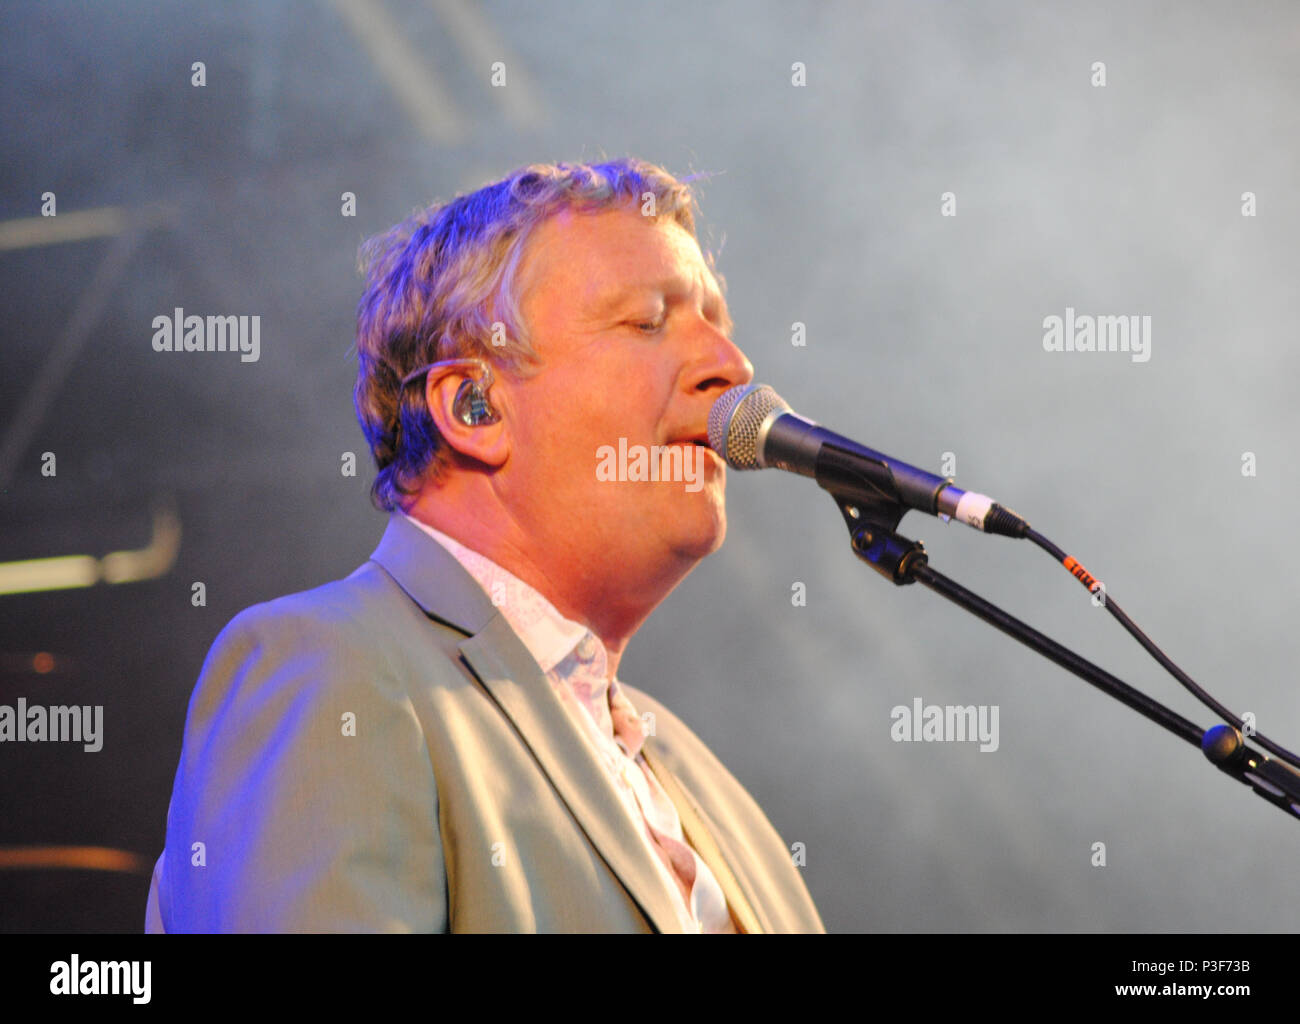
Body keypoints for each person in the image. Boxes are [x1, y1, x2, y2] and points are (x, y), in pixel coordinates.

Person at [144, 157, 825, 933]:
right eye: (646, 320)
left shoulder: (696, 775)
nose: (731, 368)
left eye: (719, 325)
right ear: (473, 406)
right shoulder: (334, 667)